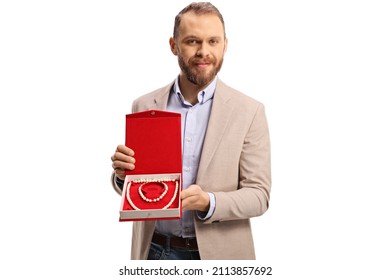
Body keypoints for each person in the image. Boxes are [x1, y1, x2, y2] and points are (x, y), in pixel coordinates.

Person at [110, 2, 271, 260]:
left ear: (225, 45)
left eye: (213, 41)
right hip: (153, 252)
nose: (203, 52)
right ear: (174, 45)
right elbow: (141, 188)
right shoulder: (144, 105)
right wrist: (122, 176)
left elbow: (259, 196)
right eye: (193, 41)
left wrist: (209, 202)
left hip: (220, 256)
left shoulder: (249, 111)